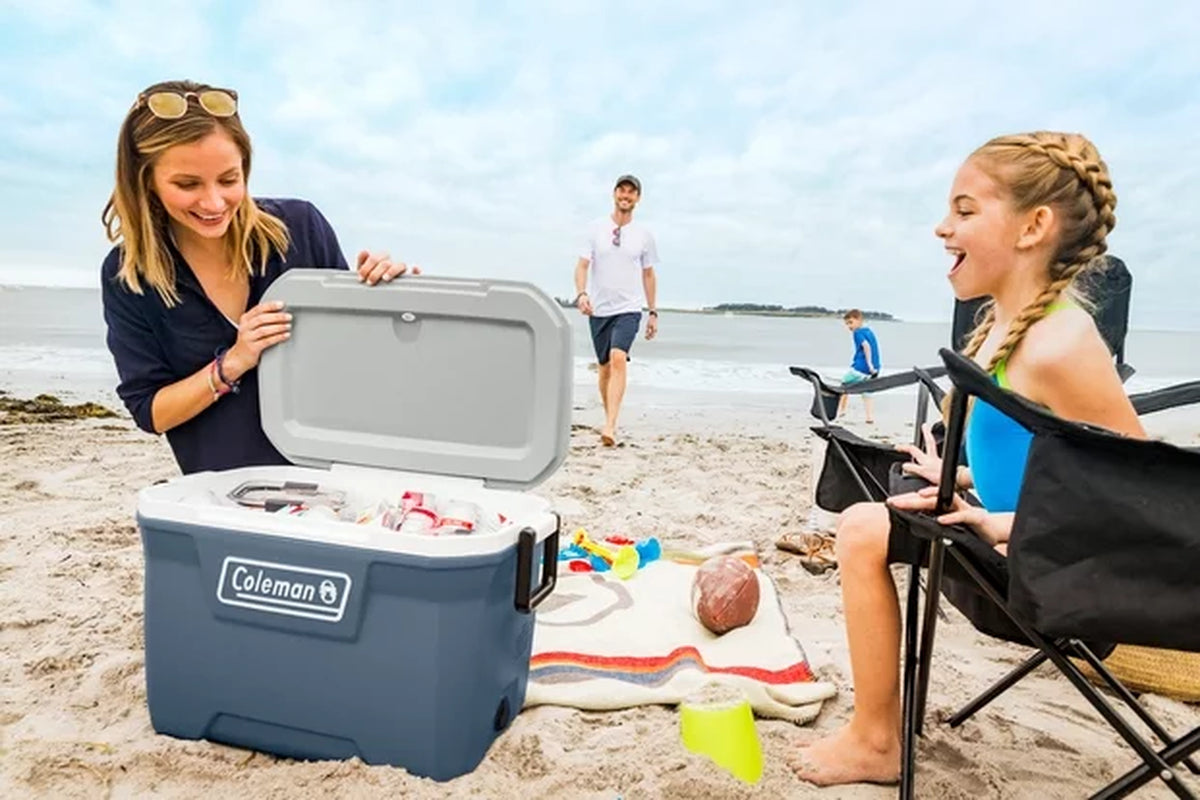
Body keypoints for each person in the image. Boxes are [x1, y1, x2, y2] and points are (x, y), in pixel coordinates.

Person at [789, 131, 1145, 787]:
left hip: (1061, 578)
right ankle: (875, 729)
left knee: (863, 528)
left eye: (965, 210)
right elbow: (1051, 457)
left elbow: (1136, 495)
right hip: (1029, 546)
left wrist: (1005, 525)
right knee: (881, 492)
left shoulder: (1061, 340)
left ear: (1033, 226)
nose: (941, 227)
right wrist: (961, 476)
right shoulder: (1008, 330)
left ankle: (875, 741)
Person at [101, 80, 419, 475]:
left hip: (339, 482)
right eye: (188, 184)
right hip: (227, 497)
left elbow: (360, 357)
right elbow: (151, 412)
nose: (214, 202)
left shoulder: (300, 228)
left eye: (229, 180)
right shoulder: (128, 275)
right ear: (145, 179)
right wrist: (233, 362)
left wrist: (396, 301)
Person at [572, 174, 659, 446]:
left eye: (631, 192)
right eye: (622, 191)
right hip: (599, 309)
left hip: (629, 309)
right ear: (614, 194)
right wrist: (582, 293)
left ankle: (610, 425)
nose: (626, 196)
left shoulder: (644, 236)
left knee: (618, 357)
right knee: (604, 368)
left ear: (638, 199)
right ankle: (610, 417)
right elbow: (582, 266)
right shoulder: (595, 229)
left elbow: (648, 274)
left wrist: (652, 311)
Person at [838, 309, 881, 423]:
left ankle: (841, 411)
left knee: (844, 384)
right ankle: (869, 417)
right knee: (867, 392)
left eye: (850, 322)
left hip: (862, 367)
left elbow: (866, 346)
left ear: (859, 320)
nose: (849, 326)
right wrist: (873, 367)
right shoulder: (869, 331)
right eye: (847, 323)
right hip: (875, 368)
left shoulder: (857, 333)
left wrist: (869, 365)